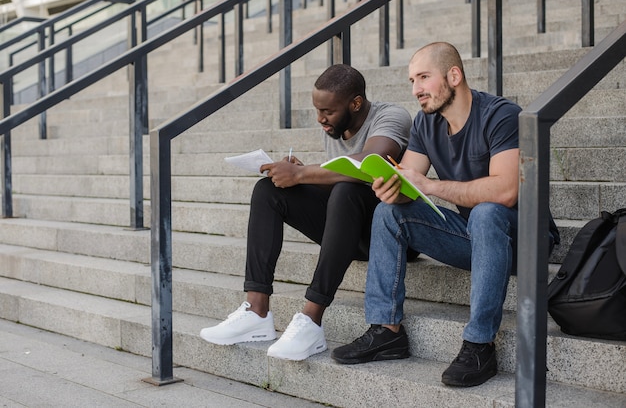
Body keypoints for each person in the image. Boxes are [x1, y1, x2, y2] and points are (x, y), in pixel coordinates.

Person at [331, 42, 560, 387]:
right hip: (475, 237)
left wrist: (431, 186)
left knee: (486, 212)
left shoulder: (501, 115)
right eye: (412, 80)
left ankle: (479, 345)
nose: (416, 90)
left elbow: (505, 191)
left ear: (454, 75)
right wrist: (392, 188)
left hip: (525, 240)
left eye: (424, 77)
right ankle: (386, 330)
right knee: (389, 214)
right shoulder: (426, 123)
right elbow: (409, 177)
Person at [200, 64, 412, 361]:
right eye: (317, 110)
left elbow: (368, 165)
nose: (320, 119)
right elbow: (338, 183)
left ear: (356, 103)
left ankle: (311, 319)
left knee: (346, 189)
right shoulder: (335, 126)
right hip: (352, 228)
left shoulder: (392, 116)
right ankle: (256, 311)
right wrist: (300, 174)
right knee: (269, 191)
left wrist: (303, 175)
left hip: (393, 233)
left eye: (328, 111)